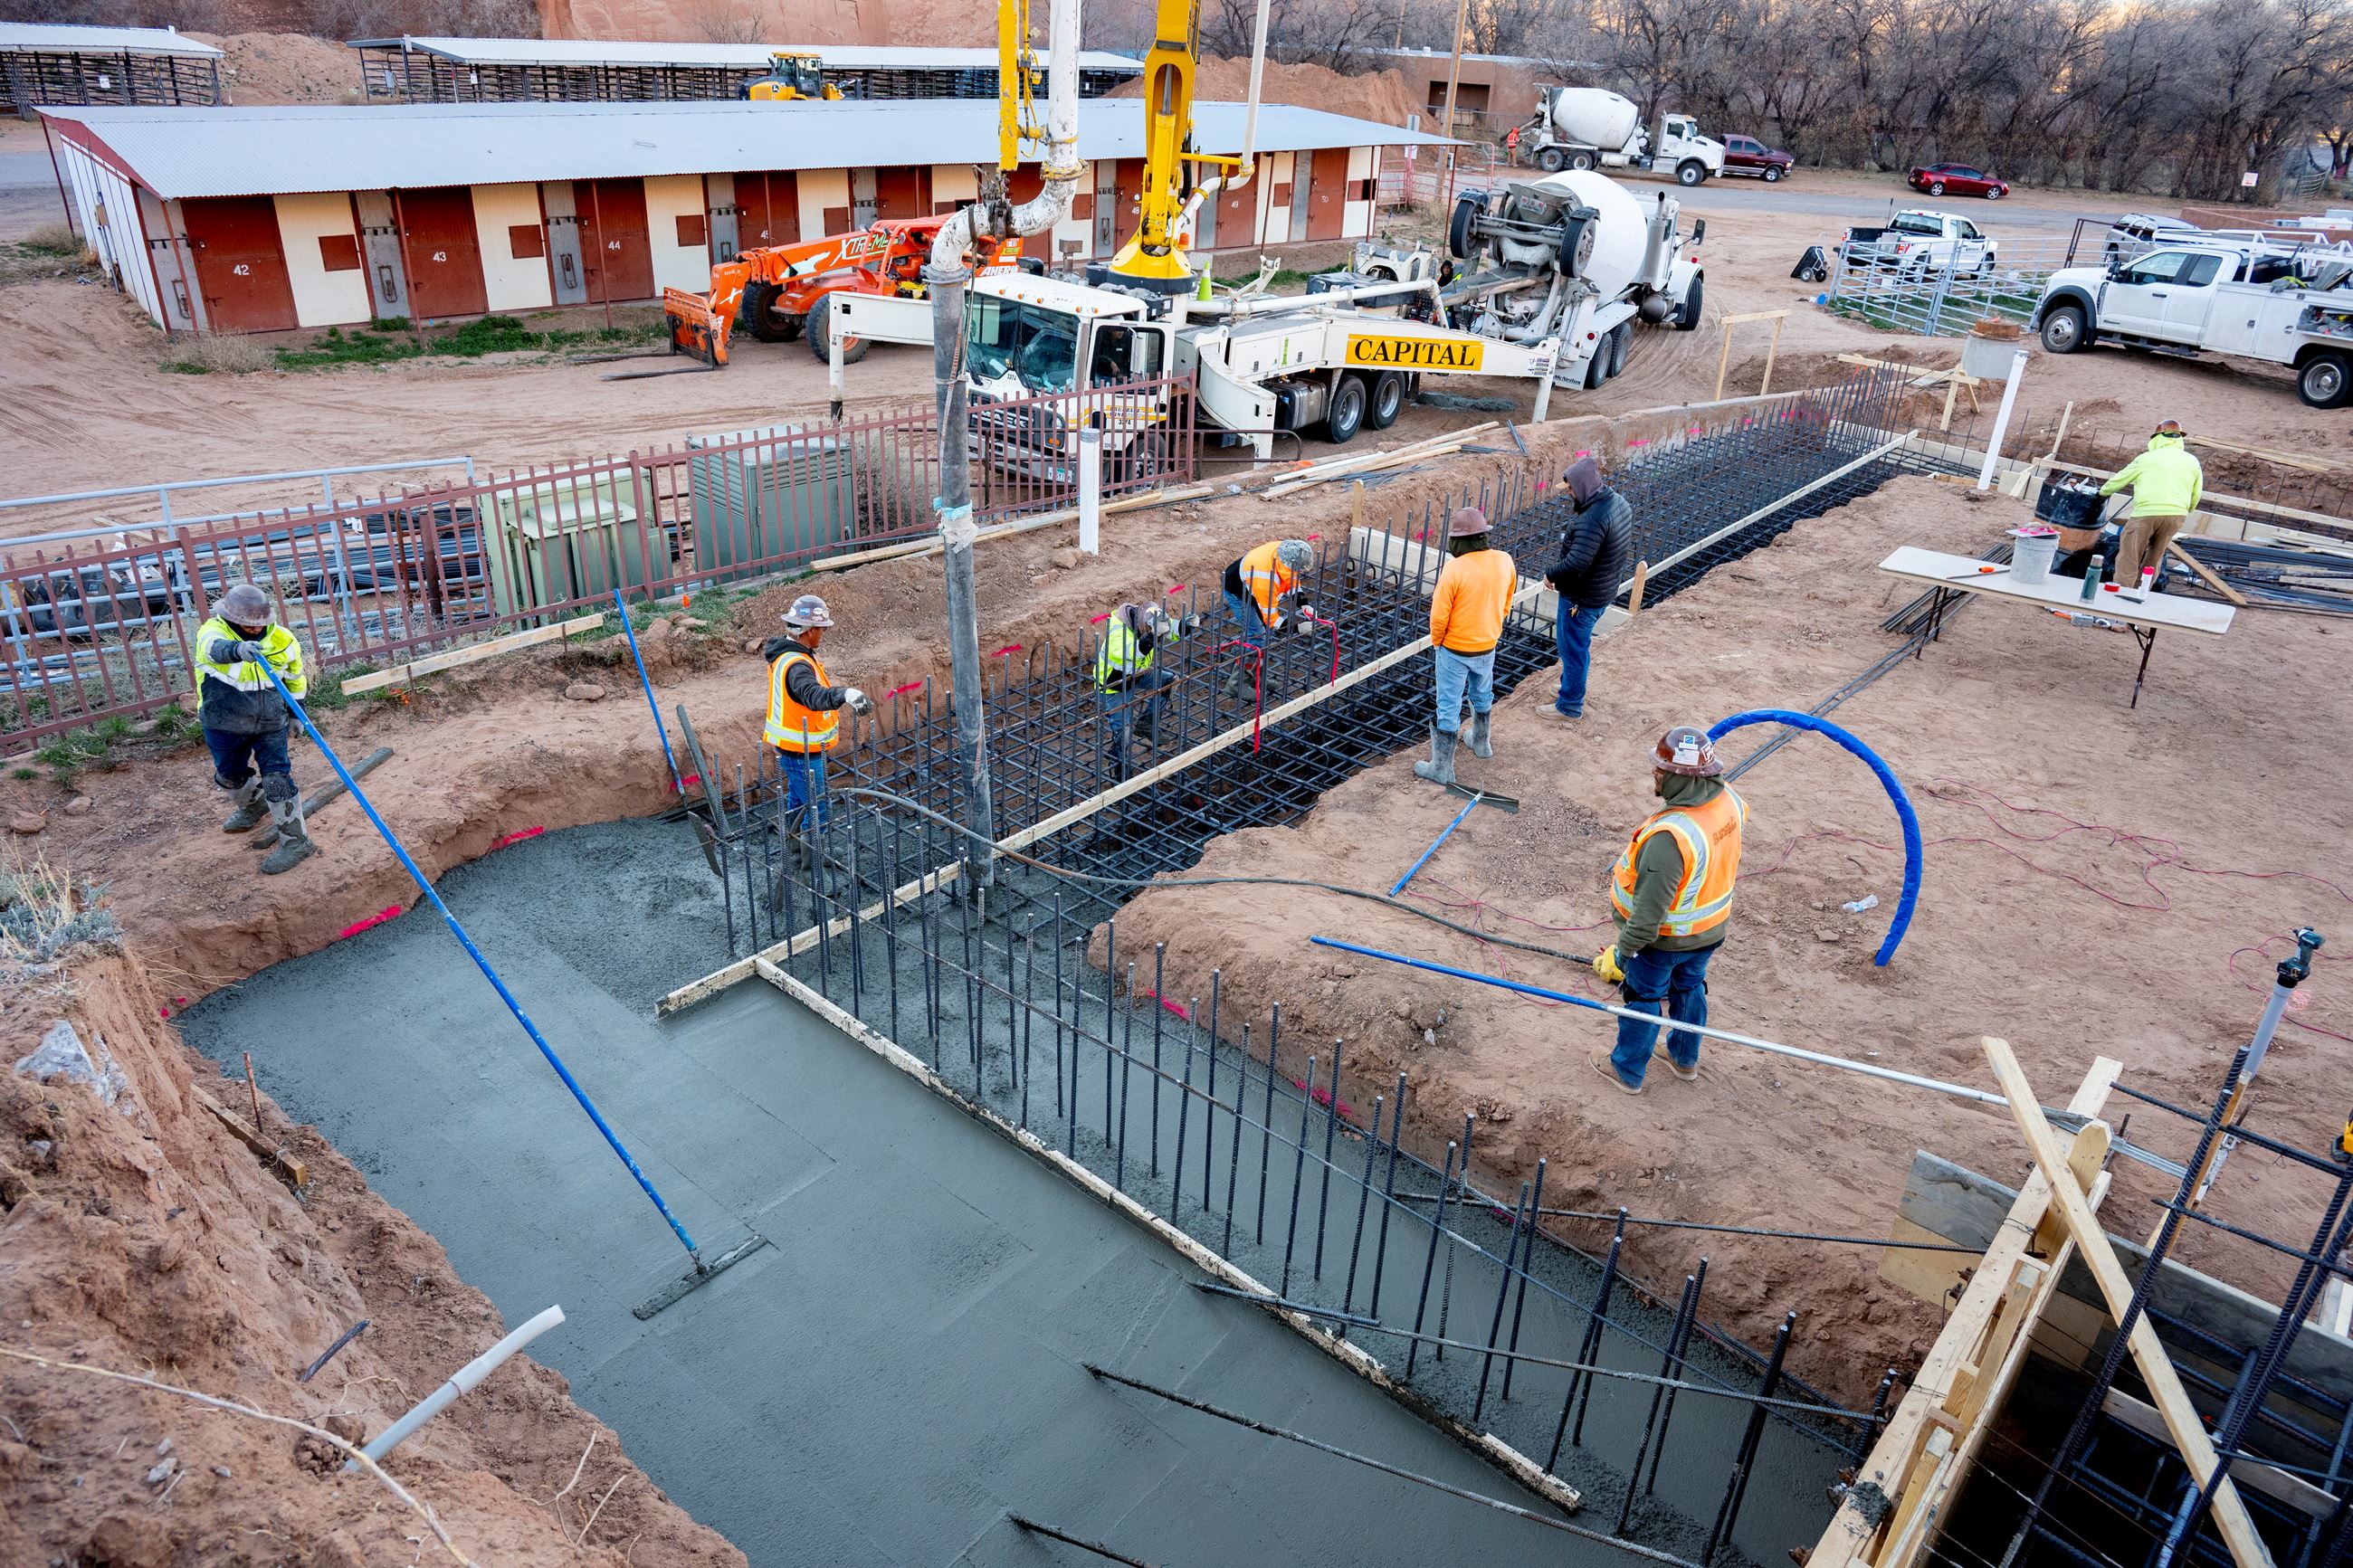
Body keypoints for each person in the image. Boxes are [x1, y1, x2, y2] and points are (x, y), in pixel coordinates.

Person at [1589, 726, 1746, 1096]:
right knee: (1689, 988)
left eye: (1661, 770)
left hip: (1664, 942)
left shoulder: (1669, 838)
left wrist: (1624, 951)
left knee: (1642, 997)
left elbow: (1648, 917)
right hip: (1710, 930)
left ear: (1680, 777)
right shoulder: (1729, 801)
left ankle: (1626, 1070)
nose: (1654, 773)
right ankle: (1683, 1059)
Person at [195, 582, 316, 876]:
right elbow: (212, 650)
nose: (254, 627)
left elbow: (295, 678)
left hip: (271, 722)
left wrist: (297, 713)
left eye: (258, 622)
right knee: (229, 775)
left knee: (277, 778)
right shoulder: (212, 631)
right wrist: (238, 650)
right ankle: (253, 806)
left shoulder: (283, 639)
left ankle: (296, 843)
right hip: (223, 721)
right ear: (230, 617)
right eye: (246, 622)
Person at [763, 594, 872, 863]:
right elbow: (812, 695)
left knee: (799, 800)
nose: (823, 634)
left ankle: (796, 846)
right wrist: (844, 694)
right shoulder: (796, 665)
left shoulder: (790, 655)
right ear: (809, 630)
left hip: (794, 747)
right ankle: (814, 858)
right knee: (817, 804)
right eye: (821, 629)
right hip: (801, 751)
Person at [1414, 507, 1516, 786]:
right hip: (1487, 644)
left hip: (1454, 650)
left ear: (1458, 540)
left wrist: (1438, 642)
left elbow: (1439, 616)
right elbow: (1507, 600)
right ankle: (1482, 743)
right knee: (1483, 693)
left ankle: (1442, 769)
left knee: (1448, 704)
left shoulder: (1454, 569)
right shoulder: (1504, 560)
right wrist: (1492, 627)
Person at [1545, 457, 1634, 719]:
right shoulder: (1619, 502)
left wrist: (1551, 574)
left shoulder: (1592, 520)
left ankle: (1569, 705)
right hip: (1603, 591)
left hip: (1581, 599)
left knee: (1573, 651)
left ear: (1582, 487)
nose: (1569, 493)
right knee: (1575, 647)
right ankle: (1568, 686)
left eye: (1571, 488)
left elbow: (1576, 563)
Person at [1093, 600, 1201, 777]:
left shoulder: (1149, 618)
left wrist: (1185, 626)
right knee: (1124, 733)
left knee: (1170, 681)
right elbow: (1131, 653)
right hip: (1114, 685)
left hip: (1137, 674)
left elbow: (1171, 629)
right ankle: (1119, 766)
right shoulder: (1118, 632)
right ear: (1144, 627)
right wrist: (1151, 636)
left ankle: (1146, 723)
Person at [2099, 421, 2203, 585]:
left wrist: (2103, 492)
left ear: (2157, 438)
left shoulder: (2146, 458)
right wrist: (2187, 508)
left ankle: (2122, 592)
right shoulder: (2192, 461)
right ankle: (2141, 591)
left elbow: (2120, 479)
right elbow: (2197, 492)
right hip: (2176, 515)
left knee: (2129, 556)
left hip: (2146, 514)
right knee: (2155, 557)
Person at [1220, 537, 1318, 697]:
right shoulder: (1265, 580)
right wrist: (1297, 629)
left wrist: (1303, 603)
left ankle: (1256, 678)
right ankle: (1236, 685)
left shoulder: (1285, 552)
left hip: (1249, 581)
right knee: (1257, 637)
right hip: (1238, 592)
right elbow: (1271, 620)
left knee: (1264, 637)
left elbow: (1290, 579)